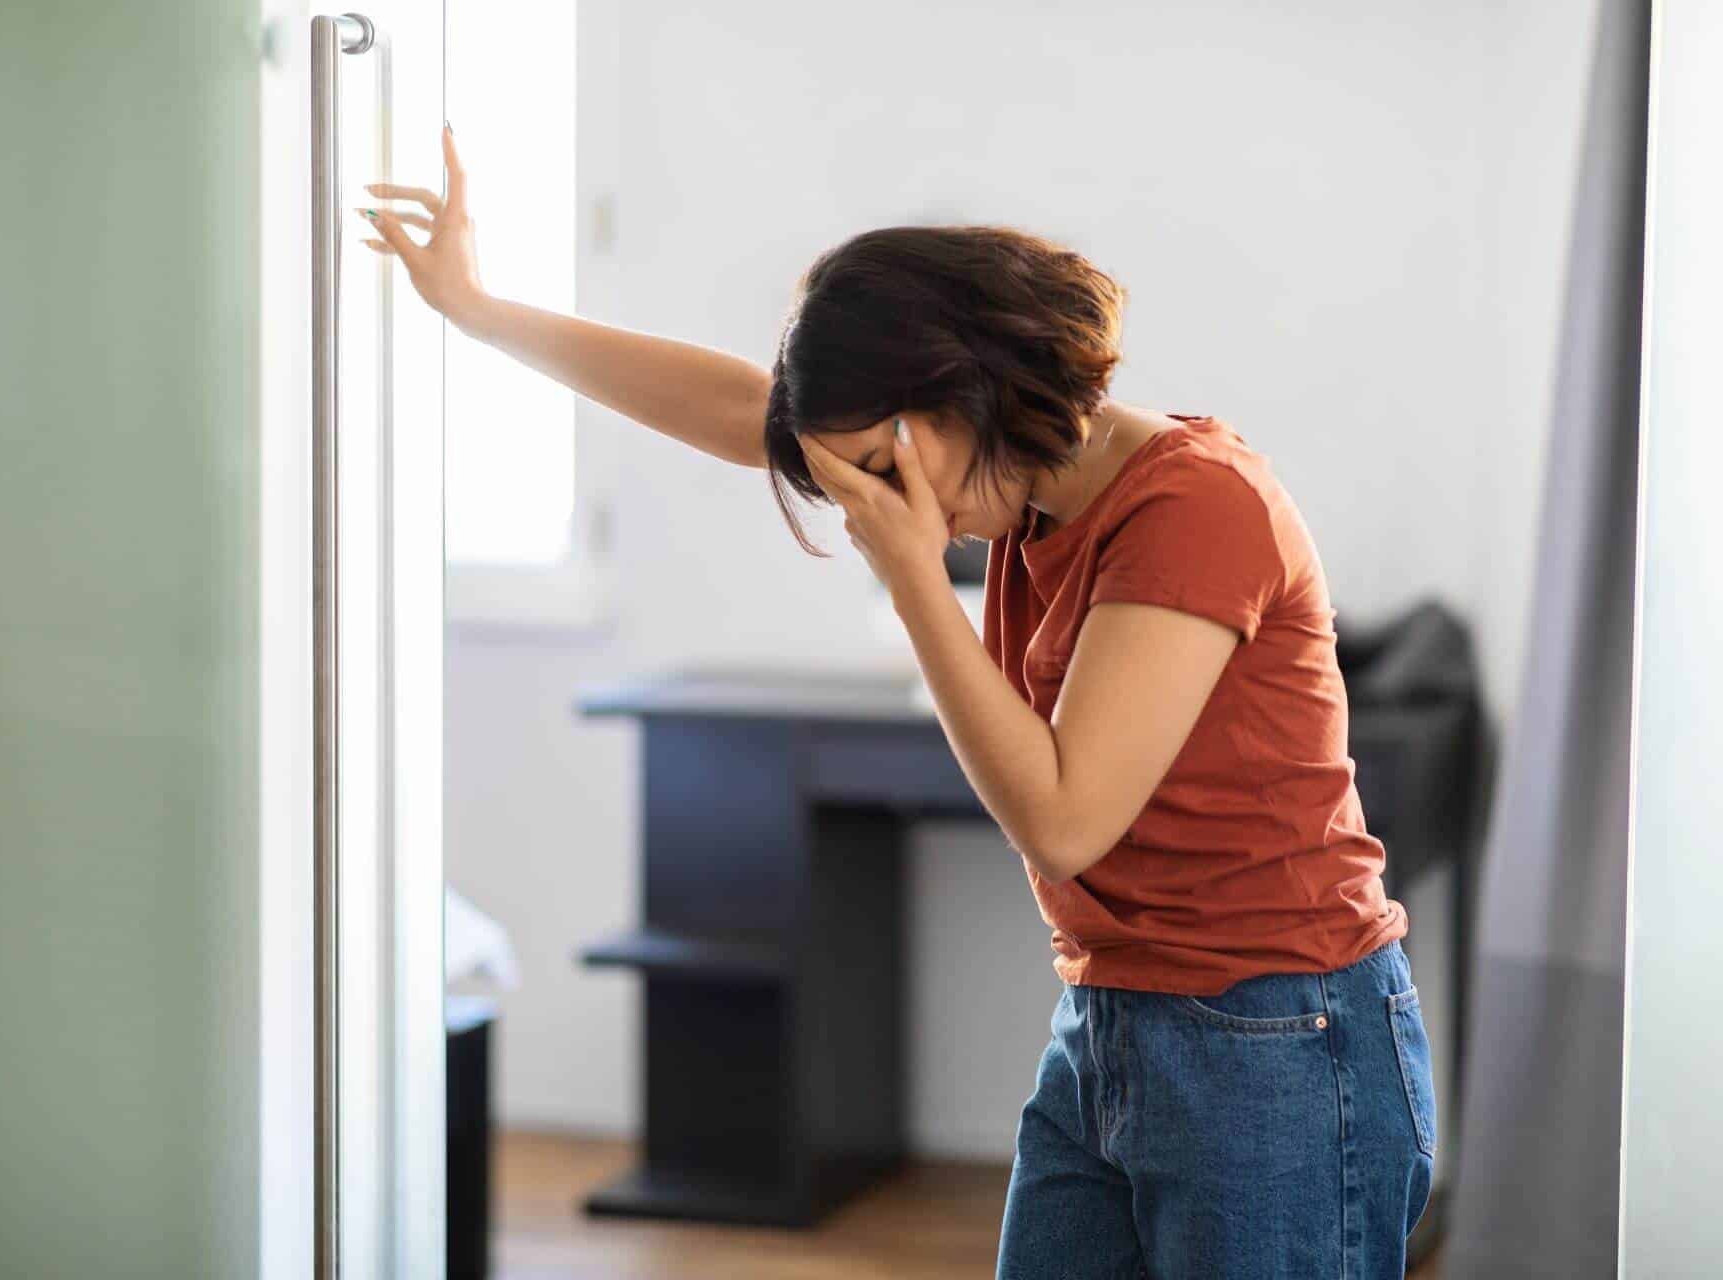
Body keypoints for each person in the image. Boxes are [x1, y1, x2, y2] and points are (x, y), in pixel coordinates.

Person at [364, 125, 1438, 1280]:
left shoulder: (1196, 507)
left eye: (878, 468)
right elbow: (735, 408)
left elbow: (1066, 817)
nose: (869, 503)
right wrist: (477, 311)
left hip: (1278, 1036)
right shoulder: (1023, 488)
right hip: (1117, 1018)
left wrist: (915, 574)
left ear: (957, 390)